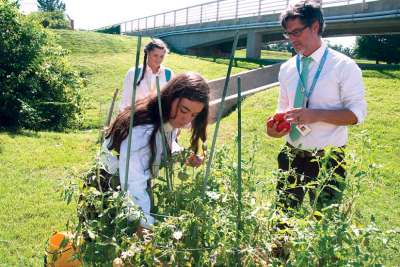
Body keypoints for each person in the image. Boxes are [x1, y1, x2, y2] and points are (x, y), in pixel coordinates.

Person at [266, 0, 367, 211]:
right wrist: (276, 128)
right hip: (291, 153)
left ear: (315, 27)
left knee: (324, 222)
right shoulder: (287, 68)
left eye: (296, 32)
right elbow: (283, 108)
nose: (291, 39)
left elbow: (356, 115)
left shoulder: (344, 66)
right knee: (282, 218)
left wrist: (316, 115)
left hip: (328, 158)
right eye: (287, 33)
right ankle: (280, 246)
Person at [103, 72, 210, 229]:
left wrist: (183, 155)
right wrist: (144, 224)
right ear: (170, 97)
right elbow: (133, 184)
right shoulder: (143, 131)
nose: (187, 119)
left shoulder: (165, 118)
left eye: (194, 115)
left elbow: (166, 142)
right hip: (110, 189)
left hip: (128, 186)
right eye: (184, 110)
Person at [119, 39, 174, 111]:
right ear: (148, 53)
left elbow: (171, 100)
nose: (158, 59)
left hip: (158, 117)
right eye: (155, 55)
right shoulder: (133, 73)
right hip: (137, 116)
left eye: (162, 56)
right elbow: (126, 101)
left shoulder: (168, 74)